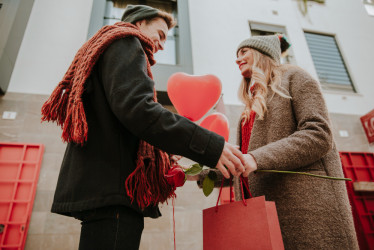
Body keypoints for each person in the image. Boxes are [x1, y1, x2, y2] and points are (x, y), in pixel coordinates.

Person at [41, 5, 248, 249]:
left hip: (107, 189)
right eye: (160, 35)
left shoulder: (109, 47)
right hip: (117, 192)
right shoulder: (127, 42)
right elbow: (140, 111)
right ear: (139, 24)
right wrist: (212, 146)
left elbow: (127, 118)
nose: (162, 44)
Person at [197, 35, 358, 249]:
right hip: (265, 214)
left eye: (244, 52)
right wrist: (200, 174)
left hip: (307, 212)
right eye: (237, 55)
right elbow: (244, 164)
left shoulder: (295, 76)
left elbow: (319, 134)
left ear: (262, 52)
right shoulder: (251, 103)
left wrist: (255, 158)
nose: (238, 59)